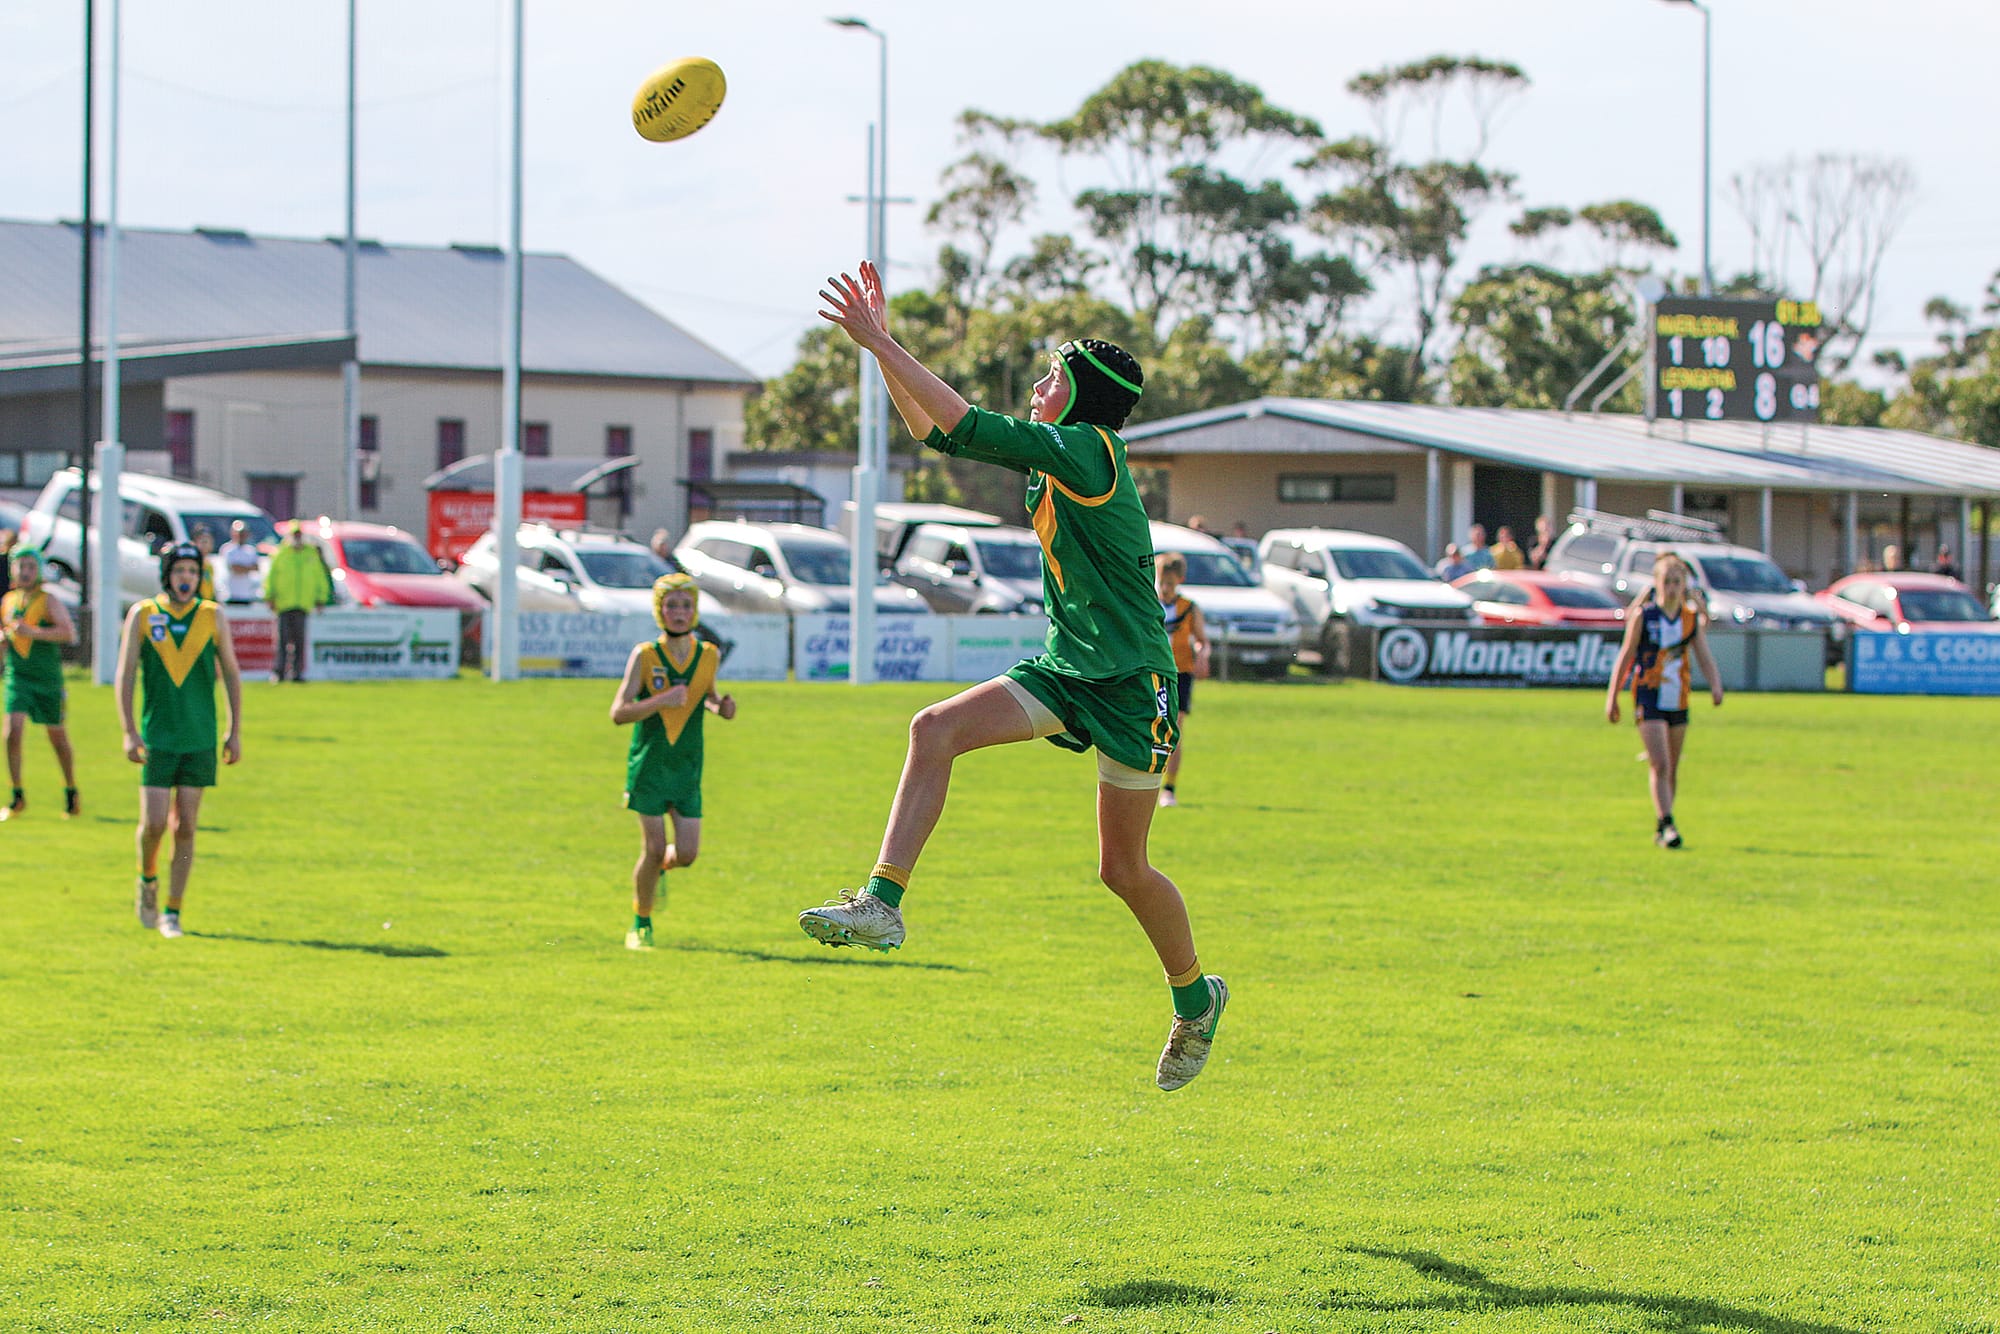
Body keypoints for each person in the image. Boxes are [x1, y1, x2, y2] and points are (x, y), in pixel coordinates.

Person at [798, 260, 1228, 1093]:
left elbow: (961, 419)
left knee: (1123, 869)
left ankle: (1194, 998)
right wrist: (882, 353)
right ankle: (882, 904)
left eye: (1050, 377)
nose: (1037, 387)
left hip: (1134, 683)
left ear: (1079, 396)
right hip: (1072, 669)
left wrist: (882, 340)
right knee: (935, 728)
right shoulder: (1061, 452)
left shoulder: (1091, 451)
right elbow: (934, 430)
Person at [116, 542, 244, 938]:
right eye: (179, 571)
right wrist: (128, 730)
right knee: (154, 824)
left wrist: (234, 730)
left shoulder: (212, 616)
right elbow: (125, 675)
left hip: (200, 738)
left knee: (185, 826)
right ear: (166, 575)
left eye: (193, 571)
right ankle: (147, 880)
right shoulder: (143, 614)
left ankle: (173, 910)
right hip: (157, 737)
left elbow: (233, 676)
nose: (186, 578)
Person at [608, 572, 736, 950]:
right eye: (672, 605)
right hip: (649, 765)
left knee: (688, 854)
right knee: (652, 847)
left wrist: (722, 707)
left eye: (686, 605)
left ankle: (655, 871)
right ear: (659, 610)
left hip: (687, 767)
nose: (679, 613)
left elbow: (706, 697)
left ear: (695, 611)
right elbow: (619, 712)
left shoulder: (708, 655)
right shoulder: (645, 655)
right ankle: (640, 923)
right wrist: (659, 701)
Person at [1605, 551, 1722, 850]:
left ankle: (1662, 823)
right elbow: (1626, 656)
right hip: (1648, 694)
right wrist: (1613, 697)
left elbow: (1704, 656)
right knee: (1659, 763)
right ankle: (1668, 822)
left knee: (1671, 768)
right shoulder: (1645, 617)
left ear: (1684, 585)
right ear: (1656, 584)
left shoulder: (1689, 619)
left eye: (1677, 582)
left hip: (1679, 697)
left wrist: (1715, 685)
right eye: (1666, 581)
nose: (1671, 588)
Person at [2, 546, 80, 820]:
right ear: (12, 569)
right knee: (12, 733)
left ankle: (71, 790)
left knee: (57, 738)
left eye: (31, 567)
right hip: (17, 678)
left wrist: (32, 632)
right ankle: (17, 795)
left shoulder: (48, 601)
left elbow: (67, 633)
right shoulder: (9, 601)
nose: (25, 572)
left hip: (46, 680)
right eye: (20, 566)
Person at [1154, 552, 1209, 809]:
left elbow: (1201, 640)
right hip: (1152, 673)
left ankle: (1169, 788)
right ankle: (1145, 784)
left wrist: (1202, 654)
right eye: (1162, 583)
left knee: (1173, 731)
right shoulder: (1148, 604)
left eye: (1170, 584)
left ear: (1180, 580)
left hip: (1179, 674)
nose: (1165, 589)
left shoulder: (1188, 608)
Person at [264, 520, 332, 682]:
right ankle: (279, 671)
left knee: (300, 642)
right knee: (283, 641)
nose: (297, 538)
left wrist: (321, 597)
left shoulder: (310, 554)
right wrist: (270, 596)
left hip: (303, 603)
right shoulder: (281, 554)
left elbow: (319, 578)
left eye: (299, 535)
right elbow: (271, 577)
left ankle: (297, 673)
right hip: (284, 603)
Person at [220, 520, 262, 604]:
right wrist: (248, 567)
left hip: (246, 594)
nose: (240, 536)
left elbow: (256, 567)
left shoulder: (251, 550)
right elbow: (234, 568)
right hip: (231, 594)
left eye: (243, 533)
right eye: (238, 533)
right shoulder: (227, 549)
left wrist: (242, 567)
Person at [189, 525, 219, 601]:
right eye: (204, 542)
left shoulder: (208, 564)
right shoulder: (191, 564)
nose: (207, 545)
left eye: (210, 542)